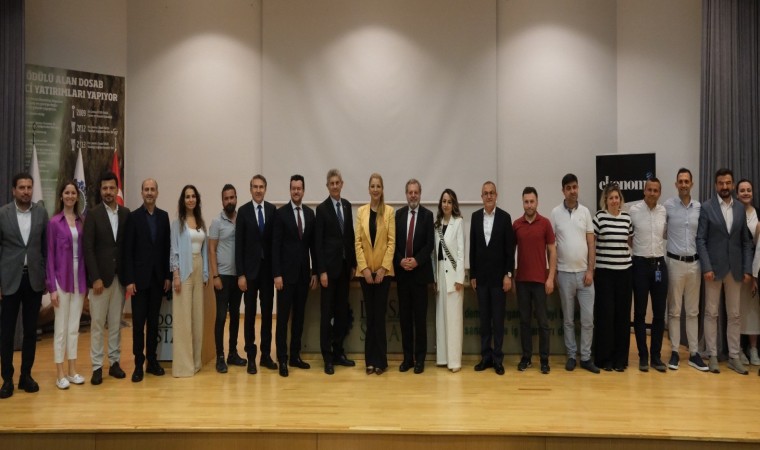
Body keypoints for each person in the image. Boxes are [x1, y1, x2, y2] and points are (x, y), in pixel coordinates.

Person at [697, 168, 754, 375]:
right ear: (715, 185)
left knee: (735, 314)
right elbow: (700, 239)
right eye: (721, 183)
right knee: (711, 313)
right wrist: (706, 266)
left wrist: (747, 269)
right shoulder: (707, 207)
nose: (724, 186)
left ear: (732, 184)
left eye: (728, 183)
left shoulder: (740, 208)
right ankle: (712, 355)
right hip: (713, 269)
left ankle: (734, 357)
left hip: (736, 269)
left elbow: (746, 242)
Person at [0, 173, 48, 398]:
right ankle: (7, 379)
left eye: (29, 187)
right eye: (22, 187)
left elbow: (45, 247)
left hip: (34, 280)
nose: (26, 191)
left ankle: (25, 376)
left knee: (30, 331)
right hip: (9, 280)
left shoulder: (41, 213)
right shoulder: (3, 214)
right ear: (14, 190)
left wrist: (45, 276)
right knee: (7, 332)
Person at [83, 172, 130, 385]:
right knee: (97, 325)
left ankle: (114, 363)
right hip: (100, 282)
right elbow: (88, 248)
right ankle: (96, 367)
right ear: (100, 191)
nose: (108, 192)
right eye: (105, 188)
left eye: (112, 188)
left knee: (115, 324)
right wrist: (95, 278)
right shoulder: (93, 215)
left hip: (120, 279)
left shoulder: (126, 214)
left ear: (117, 190)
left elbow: (127, 247)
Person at [122, 178, 171, 382]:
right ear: (142, 193)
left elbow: (167, 249)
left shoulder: (163, 217)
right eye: (146, 189)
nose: (149, 193)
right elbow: (127, 251)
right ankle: (138, 364)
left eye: (152, 189)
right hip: (139, 282)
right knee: (138, 325)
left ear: (157, 193)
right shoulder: (133, 217)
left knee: (153, 324)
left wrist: (167, 276)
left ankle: (152, 361)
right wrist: (129, 280)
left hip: (158, 280)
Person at [550, 174, 599, 373]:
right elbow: (551, 246)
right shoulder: (555, 213)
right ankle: (571, 355)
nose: (573, 191)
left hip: (585, 275)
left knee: (588, 320)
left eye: (575, 187)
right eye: (569, 188)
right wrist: (553, 272)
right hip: (564, 274)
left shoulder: (585, 212)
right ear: (563, 190)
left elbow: (591, 243)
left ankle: (586, 357)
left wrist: (590, 270)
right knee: (568, 320)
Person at [272, 175, 318, 377]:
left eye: (299, 188)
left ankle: (295, 356)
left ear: (303, 190)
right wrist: (277, 274)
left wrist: (315, 271)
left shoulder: (309, 214)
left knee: (299, 318)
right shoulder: (280, 214)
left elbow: (313, 246)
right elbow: (275, 246)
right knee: (283, 319)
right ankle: (282, 359)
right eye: (293, 188)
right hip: (285, 277)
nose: (296, 191)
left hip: (303, 276)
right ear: (290, 190)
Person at [663, 168, 708, 371]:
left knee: (693, 311)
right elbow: (661, 231)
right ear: (676, 184)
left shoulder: (699, 207)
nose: (683, 184)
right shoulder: (668, 206)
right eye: (680, 181)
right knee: (674, 311)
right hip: (675, 263)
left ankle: (694, 353)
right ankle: (674, 351)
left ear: (692, 184)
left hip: (695, 265)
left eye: (686, 181)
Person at [314, 169, 357, 375]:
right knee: (327, 315)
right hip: (328, 272)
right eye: (331, 183)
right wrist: (321, 270)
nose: (334, 186)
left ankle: (339, 352)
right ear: (327, 186)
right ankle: (327, 357)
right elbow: (318, 243)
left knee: (341, 313)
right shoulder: (321, 209)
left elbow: (350, 236)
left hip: (344, 269)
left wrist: (353, 264)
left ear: (342, 184)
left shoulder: (347, 206)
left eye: (337, 183)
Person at [470, 181, 514, 376]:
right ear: (481, 197)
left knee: (498, 321)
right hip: (481, 279)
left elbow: (509, 250)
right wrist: (473, 274)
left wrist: (508, 275)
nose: (488, 196)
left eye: (491, 193)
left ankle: (498, 359)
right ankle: (486, 357)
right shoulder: (475, 217)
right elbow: (473, 248)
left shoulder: (505, 218)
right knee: (484, 320)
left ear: (496, 196)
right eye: (485, 193)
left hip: (499, 280)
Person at [46, 181, 87, 389]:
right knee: (60, 328)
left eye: (73, 193)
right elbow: (49, 256)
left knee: (73, 328)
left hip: (79, 280)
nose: (70, 196)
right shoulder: (54, 222)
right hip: (61, 280)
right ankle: (59, 373)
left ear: (77, 197)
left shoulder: (81, 222)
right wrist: (52, 288)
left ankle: (72, 370)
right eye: (67, 193)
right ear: (61, 196)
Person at [235, 174, 277, 374]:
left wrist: (277, 272)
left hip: (268, 273)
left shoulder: (272, 210)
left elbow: (275, 243)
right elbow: (239, 245)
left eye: (261, 187)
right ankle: (251, 356)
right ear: (250, 189)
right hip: (249, 274)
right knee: (250, 315)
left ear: (265, 189)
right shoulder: (243, 212)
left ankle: (265, 355)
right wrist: (241, 274)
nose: (258, 190)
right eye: (255, 187)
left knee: (267, 315)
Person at [513, 187, 556, 374]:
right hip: (522, 281)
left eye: (532, 201)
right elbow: (510, 252)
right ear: (523, 203)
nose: (529, 205)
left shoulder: (545, 223)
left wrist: (551, 278)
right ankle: (526, 358)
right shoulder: (516, 224)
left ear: (537, 202)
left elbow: (552, 251)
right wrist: (510, 276)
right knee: (524, 322)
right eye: (526, 202)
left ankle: (544, 360)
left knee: (543, 323)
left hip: (540, 281)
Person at [355, 173, 395, 375]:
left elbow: (391, 243)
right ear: (369, 189)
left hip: (383, 275)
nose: (376, 189)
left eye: (379, 186)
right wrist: (364, 269)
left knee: (379, 317)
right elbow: (357, 243)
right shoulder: (361, 211)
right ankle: (369, 361)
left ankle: (381, 361)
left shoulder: (389, 212)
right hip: (365, 274)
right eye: (373, 186)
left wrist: (382, 269)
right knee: (369, 318)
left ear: (382, 189)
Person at [393, 179, 434, 374]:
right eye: (410, 192)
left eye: (416, 192)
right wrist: (400, 260)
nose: (413, 195)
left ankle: (420, 359)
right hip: (402, 276)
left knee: (420, 320)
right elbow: (393, 244)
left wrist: (416, 261)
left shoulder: (427, 215)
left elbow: (429, 245)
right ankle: (408, 358)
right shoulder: (399, 215)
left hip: (419, 276)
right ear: (406, 194)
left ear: (420, 194)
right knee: (405, 320)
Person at [593, 183, 633, 372]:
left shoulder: (627, 218)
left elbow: (630, 241)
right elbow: (591, 243)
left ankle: (620, 359)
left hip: (624, 273)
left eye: (617, 197)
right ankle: (605, 358)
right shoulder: (599, 218)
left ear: (620, 200)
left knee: (622, 317)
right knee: (606, 316)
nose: (614, 201)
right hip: (604, 274)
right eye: (611, 198)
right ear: (605, 200)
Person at [629, 178, 668, 373]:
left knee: (660, 313)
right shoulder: (634, 211)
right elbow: (629, 238)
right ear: (644, 191)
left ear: (659, 192)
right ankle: (643, 356)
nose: (652, 193)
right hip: (640, 266)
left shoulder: (663, 211)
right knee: (640, 312)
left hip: (659, 265)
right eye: (649, 190)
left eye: (656, 190)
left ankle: (656, 356)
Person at [170, 185, 208, 377]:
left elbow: (204, 250)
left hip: (199, 268)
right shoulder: (177, 224)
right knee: (183, 319)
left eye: (193, 196)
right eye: (187, 196)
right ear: (183, 200)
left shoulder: (201, 222)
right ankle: (183, 367)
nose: (191, 199)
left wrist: (205, 273)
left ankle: (195, 362)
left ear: (197, 199)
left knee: (197, 318)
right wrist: (176, 275)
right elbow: (174, 250)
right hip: (184, 271)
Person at [209, 184, 246, 374]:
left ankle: (232, 353)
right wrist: (215, 275)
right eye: (226, 198)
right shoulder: (217, 222)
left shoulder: (242, 219)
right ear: (222, 201)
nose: (229, 201)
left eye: (232, 197)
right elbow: (211, 250)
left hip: (238, 277)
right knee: (222, 317)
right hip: (222, 277)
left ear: (236, 198)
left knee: (235, 317)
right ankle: (220, 356)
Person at [433, 189, 465, 373]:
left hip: (454, 278)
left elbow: (461, 253)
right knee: (441, 319)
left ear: (454, 205)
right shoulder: (436, 225)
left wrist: (460, 278)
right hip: (441, 277)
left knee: (454, 320)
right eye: (444, 201)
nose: (446, 204)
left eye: (449, 202)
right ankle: (443, 358)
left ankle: (454, 361)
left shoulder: (458, 222)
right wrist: (435, 279)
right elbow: (434, 255)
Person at [736, 179, 760, 366]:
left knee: (753, 309)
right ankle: (737, 349)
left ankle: (753, 349)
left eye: (748, 190)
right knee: (736, 309)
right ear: (737, 194)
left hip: (755, 267)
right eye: (742, 190)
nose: (745, 193)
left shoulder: (758, 214)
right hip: (737, 267)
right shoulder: (733, 213)